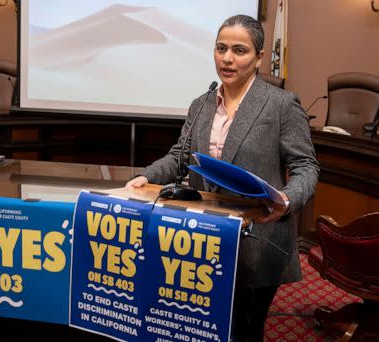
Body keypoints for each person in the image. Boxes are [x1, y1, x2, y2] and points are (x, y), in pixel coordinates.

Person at [126, 14, 319, 341]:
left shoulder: (281, 105)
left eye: (240, 50)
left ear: (259, 58)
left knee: (244, 329)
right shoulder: (201, 104)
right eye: (221, 48)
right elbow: (179, 156)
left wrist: (286, 201)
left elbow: (306, 167)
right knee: (201, 326)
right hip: (203, 237)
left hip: (257, 239)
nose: (227, 58)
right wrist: (146, 177)